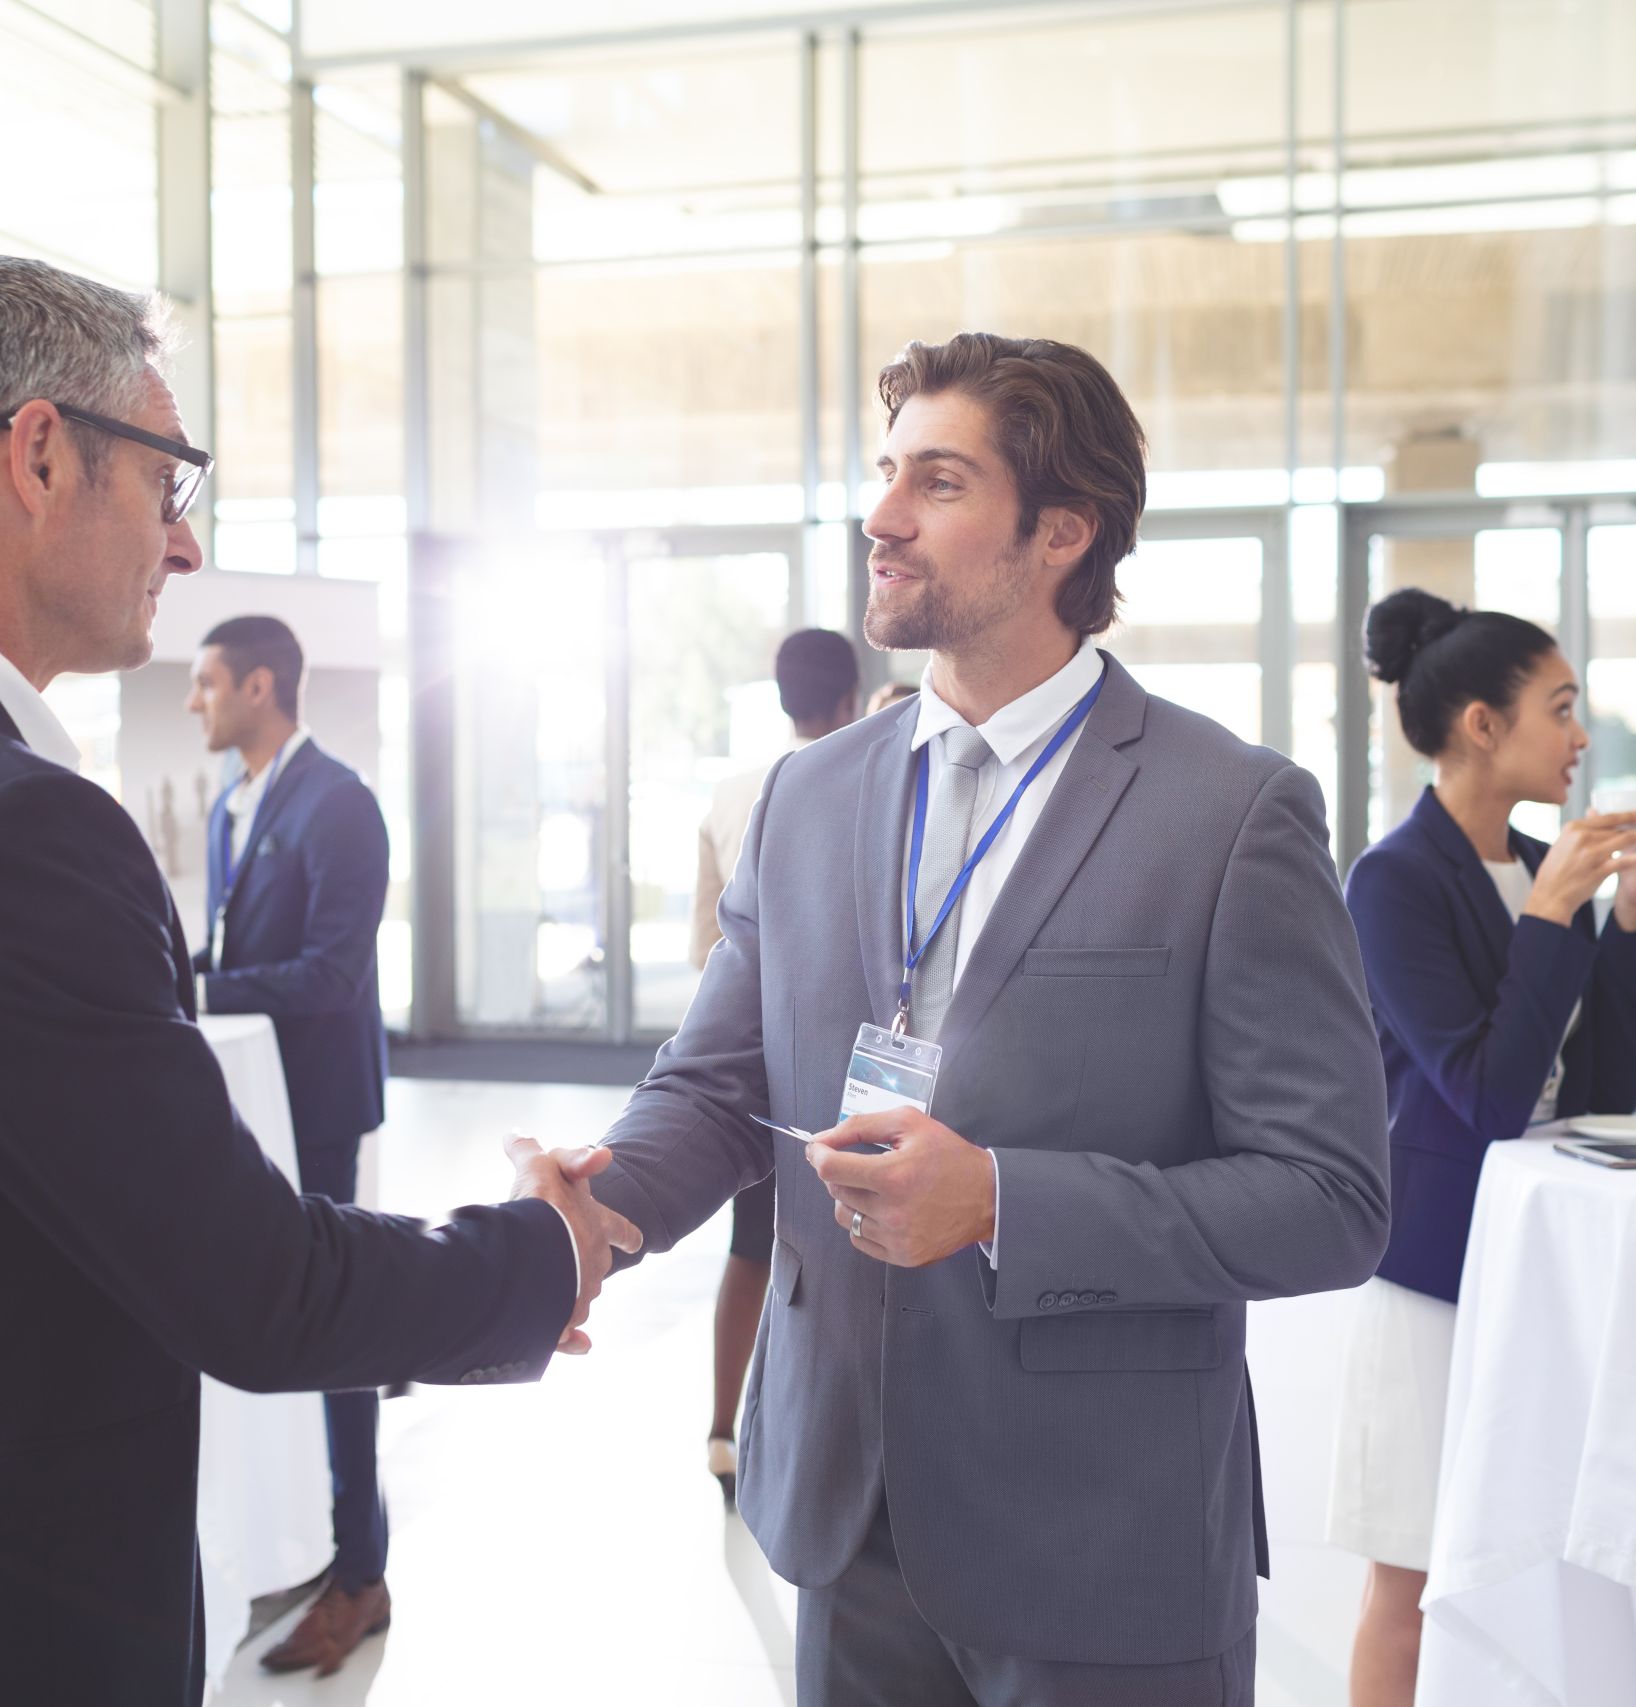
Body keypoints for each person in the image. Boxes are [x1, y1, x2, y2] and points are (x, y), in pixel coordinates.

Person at [0, 254, 638, 1707]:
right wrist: (540, 1251)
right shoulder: (1, 823)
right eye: (168, 480)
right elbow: (256, 1289)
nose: (185, 545)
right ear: (37, 453)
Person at [559, 333, 1392, 1706]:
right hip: (844, 1510)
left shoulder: (1231, 811)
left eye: (936, 483)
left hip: (1102, 1531)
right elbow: (715, 1086)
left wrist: (1002, 1197)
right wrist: (599, 1205)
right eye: (887, 471)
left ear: (1060, 531)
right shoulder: (803, 796)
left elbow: (1330, 1194)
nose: (882, 515)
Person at [1331, 588, 1636, 1707]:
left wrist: (1625, 913)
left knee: (1548, 1572)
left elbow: (1597, 1094)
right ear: (1482, 723)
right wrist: (1546, 915)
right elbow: (1485, 1098)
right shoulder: (1391, 880)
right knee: (1413, 1581)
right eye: (1560, 708)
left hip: (1540, 1255)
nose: (1581, 738)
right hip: (1434, 1269)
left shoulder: (1550, 867)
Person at [182, 612, 397, 1676]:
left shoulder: (339, 804)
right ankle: (307, 1544)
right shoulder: (233, 805)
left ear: (261, 687)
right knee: (271, 1326)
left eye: (207, 683)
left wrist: (192, 986)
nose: (194, 703)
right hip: (253, 1109)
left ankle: (361, 1572)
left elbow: (329, 976)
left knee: (336, 1332)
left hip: (315, 1106)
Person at [690, 626, 862, 1505]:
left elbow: (706, 953)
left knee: (751, 1244)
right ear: (850, 698)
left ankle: (724, 1430)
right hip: (850, 1077)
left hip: (756, 1064)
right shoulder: (867, 782)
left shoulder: (730, 793)